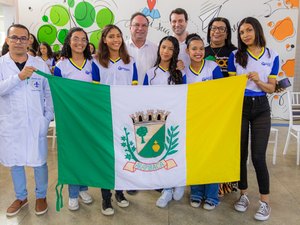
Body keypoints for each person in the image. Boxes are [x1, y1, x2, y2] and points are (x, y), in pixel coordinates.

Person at [228, 17, 279, 221]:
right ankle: (243, 195)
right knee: (240, 155)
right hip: (240, 107)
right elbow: (231, 87)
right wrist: (241, 82)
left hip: (261, 109)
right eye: (241, 32)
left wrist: (259, 81)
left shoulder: (272, 55)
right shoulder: (235, 55)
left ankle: (264, 202)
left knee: (258, 156)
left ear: (257, 30)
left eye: (249, 30)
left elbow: (272, 88)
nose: (245, 35)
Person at [0, 24, 53, 216]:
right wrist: (19, 77)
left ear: (29, 41)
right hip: (11, 124)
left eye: (24, 38)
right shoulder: (1, 64)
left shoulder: (39, 63)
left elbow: (49, 93)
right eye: (15, 38)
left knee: (39, 161)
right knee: (15, 162)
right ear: (7, 40)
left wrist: (47, 118)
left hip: (35, 122)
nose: (19, 42)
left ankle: (41, 196)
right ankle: (21, 197)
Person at [92, 24, 137, 215]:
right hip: (104, 116)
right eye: (111, 36)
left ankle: (120, 193)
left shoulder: (130, 61)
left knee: (123, 156)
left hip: (125, 117)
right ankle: (106, 198)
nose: (116, 39)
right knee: (105, 158)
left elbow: (135, 89)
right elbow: (94, 91)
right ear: (104, 39)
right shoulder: (95, 62)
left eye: (118, 36)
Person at [53, 27, 94, 211]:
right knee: (72, 155)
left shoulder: (93, 64)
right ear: (69, 42)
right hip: (69, 117)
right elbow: (58, 93)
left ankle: (84, 188)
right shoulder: (61, 66)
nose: (80, 43)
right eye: (76, 39)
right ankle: (73, 194)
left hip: (88, 117)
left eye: (84, 39)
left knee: (85, 154)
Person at [143, 36, 185, 208]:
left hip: (176, 119)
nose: (166, 51)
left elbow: (184, 96)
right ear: (159, 49)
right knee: (161, 154)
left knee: (175, 152)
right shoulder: (149, 73)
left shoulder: (179, 73)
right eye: (163, 47)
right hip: (157, 120)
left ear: (175, 52)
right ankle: (166, 189)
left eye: (170, 49)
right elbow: (143, 97)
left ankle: (178, 182)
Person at [184, 33, 223, 210]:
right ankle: (196, 192)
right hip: (192, 120)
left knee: (212, 157)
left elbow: (222, 93)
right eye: (194, 49)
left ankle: (212, 195)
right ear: (187, 51)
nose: (198, 52)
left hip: (212, 120)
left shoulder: (212, 67)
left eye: (201, 48)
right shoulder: (183, 71)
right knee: (195, 157)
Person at [205, 17, 238, 197]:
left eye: (221, 29)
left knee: (225, 145)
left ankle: (225, 183)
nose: (217, 31)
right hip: (207, 108)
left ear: (227, 33)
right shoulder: (202, 50)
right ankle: (207, 180)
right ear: (209, 30)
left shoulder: (234, 52)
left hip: (227, 106)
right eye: (214, 28)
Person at [125, 12, 157, 85]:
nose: (140, 28)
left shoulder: (156, 49)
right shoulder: (121, 48)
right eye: (137, 25)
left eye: (144, 25)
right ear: (130, 27)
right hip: (126, 92)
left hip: (148, 93)